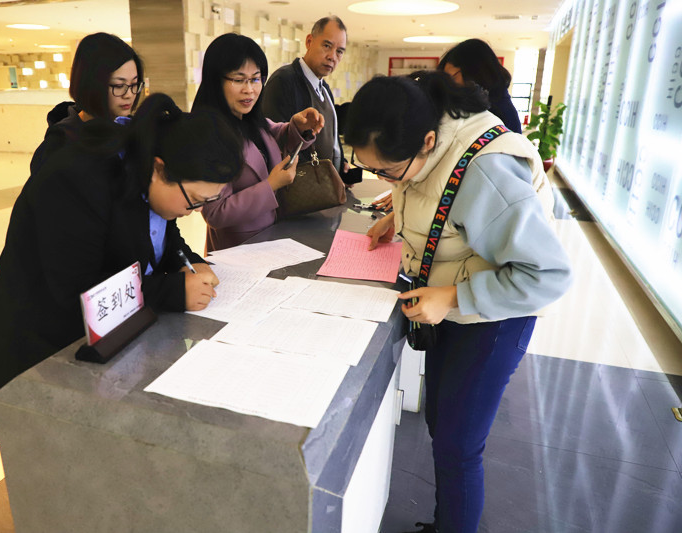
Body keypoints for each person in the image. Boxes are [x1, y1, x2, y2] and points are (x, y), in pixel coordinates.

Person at [344, 73, 571, 533]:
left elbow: (548, 275)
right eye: (371, 169)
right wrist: (397, 217)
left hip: (496, 316)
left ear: (428, 141)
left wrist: (452, 296)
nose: (384, 178)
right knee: (440, 420)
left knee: (458, 445)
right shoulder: (420, 135)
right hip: (451, 306)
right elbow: (432, 195)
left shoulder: (487, 173)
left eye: (388, 171)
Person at [0, 93, 244, 444]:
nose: (195, 211)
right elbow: (79, 291)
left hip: (95, 348)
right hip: (37, 352)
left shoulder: (144, 171)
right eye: (196, 201)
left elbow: (163, 230)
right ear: (159, 168)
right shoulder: (80, 181)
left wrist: (190, 261)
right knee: (47, 457)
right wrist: (173, 291)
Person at [192, 33, 324, 252]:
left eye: (255, 79)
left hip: (273, 237)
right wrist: (271, 186)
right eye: (238, 80)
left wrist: (298, 127)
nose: (249, 90)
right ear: (215, 81)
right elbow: (215, 213)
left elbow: (273, 135)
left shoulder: (249, 118)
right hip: (238, 250)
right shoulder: (207, 134)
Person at [262, 16, 362, 186]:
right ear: (309, 41)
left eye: (339, 51)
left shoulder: (324, 88)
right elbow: (274, 143)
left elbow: (331, 138)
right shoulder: (284, 80)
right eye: (327, 46)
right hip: (301, 192)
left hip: (328, 189)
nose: (332, 56)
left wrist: (341, 163)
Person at [30, 32, 144, 176]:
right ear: (91, 85)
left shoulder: (134, 132)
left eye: (134, 84)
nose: (129, 95)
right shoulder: (60, 145)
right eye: (118, 85)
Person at [438, 38, 522, 133]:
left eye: (452, 77)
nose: (449, 84)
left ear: (475, 73)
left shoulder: (496, 112)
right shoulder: (494, 102)